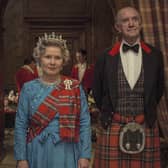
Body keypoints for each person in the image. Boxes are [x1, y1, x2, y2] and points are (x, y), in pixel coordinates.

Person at [93, 6, 164, 168]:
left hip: (146, 124)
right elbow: (98, 92)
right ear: (118, 27)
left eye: (135, 19)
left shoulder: (155, 55)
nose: (131, 24)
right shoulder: (105, 56)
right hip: (113, 124)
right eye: (125, 20)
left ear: (140, 24)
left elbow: (158, 90)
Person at [14, 33, 91, 168]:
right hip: (37, 149)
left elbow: (84, 122)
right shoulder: (28, 89)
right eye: (48, 57)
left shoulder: (73, 86)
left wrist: (85, 155)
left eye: (57, 58)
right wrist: (21, 158)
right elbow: (20, 124)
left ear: (63, 61)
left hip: (67, 149)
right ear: (39, 59)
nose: (52, 62)